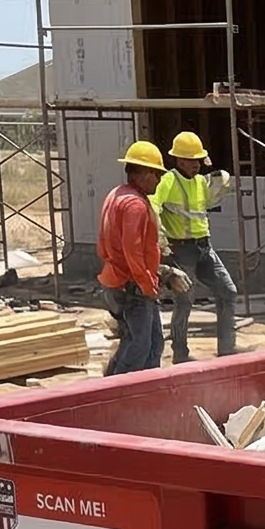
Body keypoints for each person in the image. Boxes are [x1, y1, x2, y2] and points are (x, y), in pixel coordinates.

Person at [98, 141, 188, 376]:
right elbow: (133, 251)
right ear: (143, 173)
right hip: (131, 286)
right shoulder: (134, 205)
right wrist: (147, 284)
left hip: (118, 280)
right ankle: (117, 390)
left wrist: (159, 273)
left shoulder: (118, 194)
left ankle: (143, 387)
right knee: (139, 346)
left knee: (153, 343)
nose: (159, 180)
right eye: (156, 174)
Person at [154, 130, 238, 363]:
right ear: (179, 160)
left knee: (228, 291)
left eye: (199, 160)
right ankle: (180, 354)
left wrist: (219, 179)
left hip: (204, 247)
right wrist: (161, 241)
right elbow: (153, 206)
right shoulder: (168, 180)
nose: (196, 165)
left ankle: (227, 350)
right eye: (191, 160)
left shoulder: (201, 181)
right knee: (185, 300)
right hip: (181, 249)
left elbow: (210, 199)